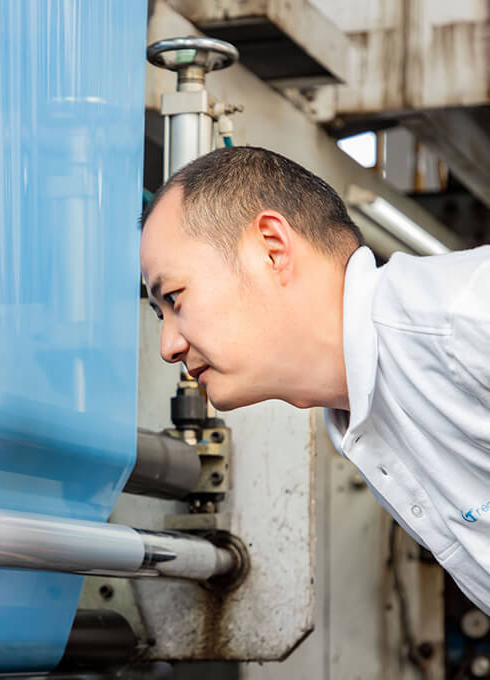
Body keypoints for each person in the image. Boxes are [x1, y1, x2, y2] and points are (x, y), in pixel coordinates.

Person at [139, 145, 490, 613]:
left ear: (272, 248)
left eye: (175, 298)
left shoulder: (463, 315)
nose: (168, 347)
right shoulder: (361, 419)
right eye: (158, 313)